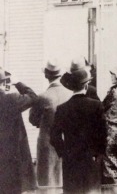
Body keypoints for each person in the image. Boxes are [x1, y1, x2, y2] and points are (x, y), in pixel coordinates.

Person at [51, 66, 106, 194]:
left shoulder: (62, 108)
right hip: (90, 159)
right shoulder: (96, 105)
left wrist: (64, 153)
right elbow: (103, 134)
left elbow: (54, 136)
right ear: (86, 85)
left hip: (70, 161)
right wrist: (98, 153)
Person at [29, 59, 72, 189]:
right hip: (67, 142)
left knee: (47, 181)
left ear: (46, 75)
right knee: (64, 180)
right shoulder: (70, 94)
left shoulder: (43, 97)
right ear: (61, 75)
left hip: (47, 143)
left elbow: (32, 119)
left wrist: (44, 122)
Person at [0, 68, 37, 194]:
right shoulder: (12, 100)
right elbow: (33, 97)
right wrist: (17, 83)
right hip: (12, 156)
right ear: (4, 83)